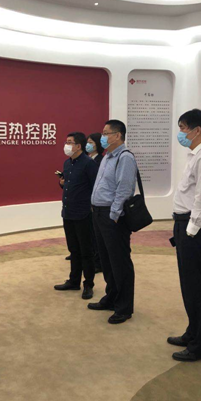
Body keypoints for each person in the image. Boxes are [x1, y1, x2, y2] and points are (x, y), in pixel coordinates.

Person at [167, 109, 201, 362]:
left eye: (183, 128)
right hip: (186, 225)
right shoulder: (196, 155)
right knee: (189, 285)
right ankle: (193, 332)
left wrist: (190, 231)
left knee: (198, 287)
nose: (180, 133)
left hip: (195, 228)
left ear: (197, 130)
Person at [88, 119, 138, 324]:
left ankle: (124, 307)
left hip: (112, 216)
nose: (102, 137)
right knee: (107, 260)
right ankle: (111, 297)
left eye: (106, 133)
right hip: (98, 214)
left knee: (119, 262)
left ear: (117, 135)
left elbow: (124, 189)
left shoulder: (125, 158)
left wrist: (114, 215)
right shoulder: (107, 157)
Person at [54, 132, 99, 299]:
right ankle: (74, 281)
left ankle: (88, 284)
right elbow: (69, 184)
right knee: (73, 249)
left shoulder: (89, 164)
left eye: (70, 142)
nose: (66, 145)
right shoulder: (67, 163)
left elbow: (95, 187)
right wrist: (62, 184)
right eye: (66, 142)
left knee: (86, 251)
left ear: (79, 146)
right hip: (68, 212)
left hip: (83, 213)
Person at [86, 132, 105, 273]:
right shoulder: (87, 159)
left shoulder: (100, 161)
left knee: (96, 234)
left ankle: (99, 262)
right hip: (87, 200)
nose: (88, 145)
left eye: (91, 142)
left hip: (97, 202)